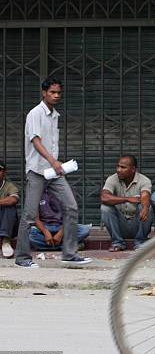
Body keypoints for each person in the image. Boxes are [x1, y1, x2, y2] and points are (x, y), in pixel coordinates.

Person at [14, 77, 92, 268]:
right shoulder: (35, 114)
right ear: (44, 93)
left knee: (71, 206)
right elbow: (36, 141)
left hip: (54, 172)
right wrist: (54, 161)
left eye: (58, 93)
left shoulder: (54, 115)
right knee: (30, 215)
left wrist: (56, 165)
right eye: (52, 92)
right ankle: (22, 258)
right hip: (37, 171)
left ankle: (70, 254)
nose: (56, 96)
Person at [100, 155, 153, 251]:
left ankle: (140, 242)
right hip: (120, 225)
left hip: (137, 224)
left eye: (123, 167)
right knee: (105, 208)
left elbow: (145, 195)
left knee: (147, 207)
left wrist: (145, 207)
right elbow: (104, 197)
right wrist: (127, 199)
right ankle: (117, 243)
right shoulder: (112, 179)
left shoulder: (144, 180)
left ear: (133, 169)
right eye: (118, 166)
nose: (118, 170)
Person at [0, 161, 19, 258]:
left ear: (4, 173)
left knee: (9, 207)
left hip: (6, 224)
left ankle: (6, 241)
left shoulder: (9, 186)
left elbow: (13, 199)